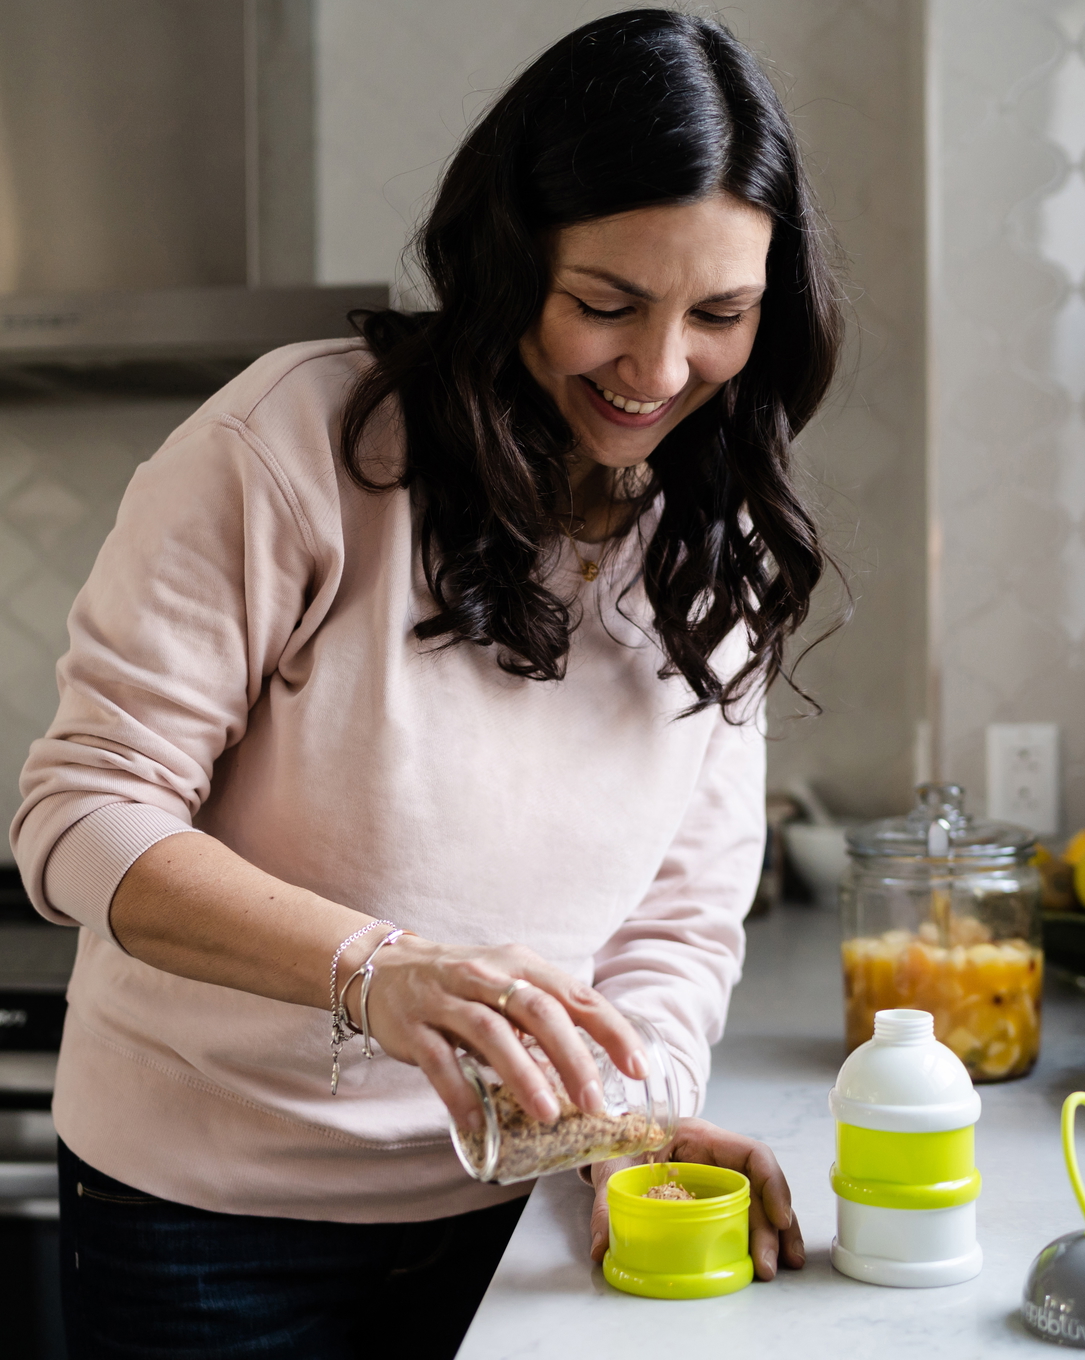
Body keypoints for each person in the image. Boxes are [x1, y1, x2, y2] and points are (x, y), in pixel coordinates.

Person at [10, 9, 843, 1357]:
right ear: (510, 265)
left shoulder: (712, 546)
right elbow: (78, 819)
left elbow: (682, 920)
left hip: (518, 1218)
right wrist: (373, 971)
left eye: (721, 315)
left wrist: (629, 1121)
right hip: (208, 1224)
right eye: (607, 304)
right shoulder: (290, 450)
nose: (659, 369)